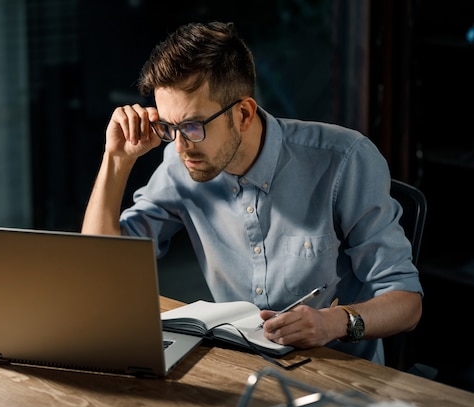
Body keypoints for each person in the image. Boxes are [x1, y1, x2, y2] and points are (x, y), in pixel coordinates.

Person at [81, 21, 423, 364]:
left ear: (243, 113)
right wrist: (116, 160)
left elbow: (407, 303)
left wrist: (333, 323)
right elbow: (101, 267)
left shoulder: (344, 160)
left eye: (193, 126)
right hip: (241, 368)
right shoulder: (180, 161)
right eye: (168, 127)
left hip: (341, 378)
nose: (181, 145)